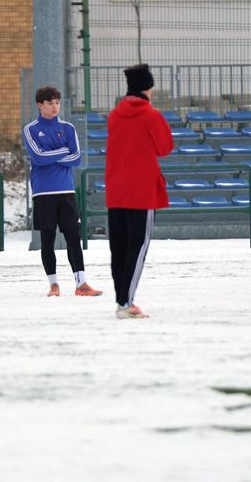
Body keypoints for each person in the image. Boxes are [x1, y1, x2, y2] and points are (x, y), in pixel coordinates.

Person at [104, 64, 173, 319]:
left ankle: (121, 298)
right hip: (141, 191)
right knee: (138, 246)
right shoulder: (151, 115)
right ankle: (126, 302)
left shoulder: (114, 115)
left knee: (119, 248)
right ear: (147, 88)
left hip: (116, 189)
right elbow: (165, 147)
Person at [23, 85, 101, 297]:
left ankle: (81, 283)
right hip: (43, 192)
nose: (54, 106)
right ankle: (53, 285)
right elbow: (37, 157)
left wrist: (51, 155)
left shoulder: (68, 129)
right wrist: (62, 151)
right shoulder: (30, 129)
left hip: (66, 191)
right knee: (47, 240)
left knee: (73, 238)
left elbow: (76, 158)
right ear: (40, 105)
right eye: (50, 103)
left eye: (57, 102)